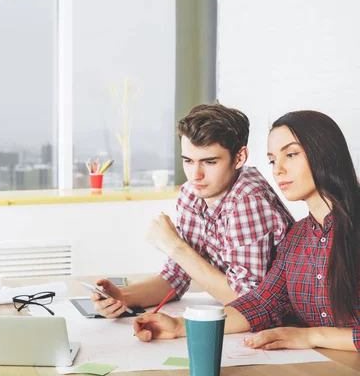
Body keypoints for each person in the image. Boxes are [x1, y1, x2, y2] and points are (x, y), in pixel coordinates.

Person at [134, 110, 360, 352]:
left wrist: (313, 336)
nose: (278, 170)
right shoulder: (298, 238)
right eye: (273, 160)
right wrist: (180, 326)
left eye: (291, 154)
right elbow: (261, 304)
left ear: (325, 154)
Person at [92, 103, 294, 318]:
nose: (195, 175)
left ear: (239, 158)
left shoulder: (248, 200)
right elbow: (175, 277)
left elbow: (249, 303)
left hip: (287, 326)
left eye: (209, 162)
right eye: (188, 161)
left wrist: (174, 246)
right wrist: (123, 296)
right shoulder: (192, 194)